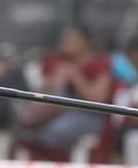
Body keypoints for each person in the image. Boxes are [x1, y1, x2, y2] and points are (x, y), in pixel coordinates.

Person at [15, 25, 112, 160]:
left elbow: (98, 100)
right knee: (34, 126)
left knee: (56, 131)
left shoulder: (99, 63)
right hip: (51, 113)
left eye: (70, 39)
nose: (65, 42)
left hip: (87, 113)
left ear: (84, 42)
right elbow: (44, 91)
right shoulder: (56, 60)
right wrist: (58, 79)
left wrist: (75, 76)